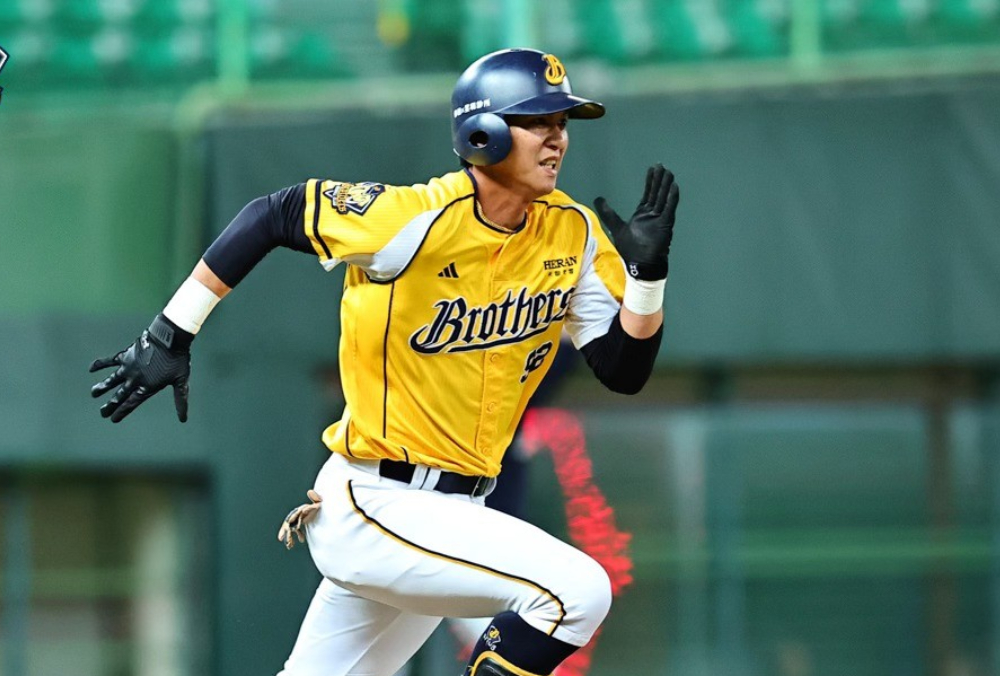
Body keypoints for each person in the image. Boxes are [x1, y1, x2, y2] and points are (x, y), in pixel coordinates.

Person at [90, 48, 678, 676]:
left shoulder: (573, 232)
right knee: (577, 591)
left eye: (562, 123)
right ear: (483, 133)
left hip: (453, 514)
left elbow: (623, 370)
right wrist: (170, 334)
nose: (557, 137)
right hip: (378, 502)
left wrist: (647, 278)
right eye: (538, 121)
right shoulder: (413, 218)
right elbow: (274, 213)